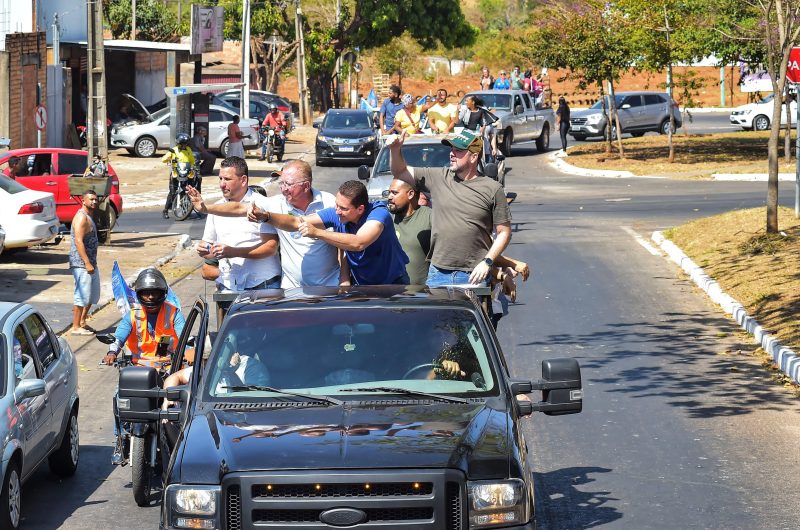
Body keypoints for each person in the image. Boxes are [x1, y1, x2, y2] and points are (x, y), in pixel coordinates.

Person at [189, 160, 347, 288]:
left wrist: (345, 280)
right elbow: (238, 207)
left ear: (306, 186)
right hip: (292, 289)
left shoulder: (329, 202)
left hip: (330, 286)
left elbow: (344, 244)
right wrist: (205, 208)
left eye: (288, 184)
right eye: (281, 183)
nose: (283, 189)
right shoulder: (276, 203)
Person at [389, 129, 512, 287]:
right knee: (437, 313)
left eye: (458, 150)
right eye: (451, 149)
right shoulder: (439, 177)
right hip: (438, 274)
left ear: (474, 157)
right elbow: (399, 172)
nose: (452, 153)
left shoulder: (493, 189)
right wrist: (395, 150)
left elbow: (504, 232)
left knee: (476, 312)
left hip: (474, 276)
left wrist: (487, 262)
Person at [246, 180, 409, 285]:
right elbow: (297, 221)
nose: (337, 211)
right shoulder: (336, 213)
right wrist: (266, 216)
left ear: (360, 209)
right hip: (362, 285)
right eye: (337, 205)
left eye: (343, 208)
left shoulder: (379, 213)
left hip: (393, 284)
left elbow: (358, 243)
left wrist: (318, 233)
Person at [102, 267, 186, 464]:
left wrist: (190, 349)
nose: (150, 297)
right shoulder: (132, 315)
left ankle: (181, 440)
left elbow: (185, 337)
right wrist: (112, 352)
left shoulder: (174, 313)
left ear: (162, 294)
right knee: (119, 396)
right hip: (139, 370)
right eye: (145, 293)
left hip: (167, 370)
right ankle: (121, 439)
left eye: (154, 293)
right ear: (139, 294)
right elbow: (120, 335)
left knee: (181, 403)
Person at [195, 157, 281, 292]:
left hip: (262, 284)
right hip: (229, 285)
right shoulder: (216, 208)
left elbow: (270, 247)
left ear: (243, 180)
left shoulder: (261, 204)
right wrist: (205, 250)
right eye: (220, 179)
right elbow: (209, 252)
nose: (222, 184)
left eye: (227, 179)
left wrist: (233, 252)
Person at [69, 190, 100, 335]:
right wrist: (87, 262)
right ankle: (76, 326)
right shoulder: (82, 218)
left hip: (91, 263)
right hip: (82, 264)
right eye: (91, 199)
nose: (94, 202)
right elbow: (78, 241)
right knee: (82, 295)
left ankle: (82, 321)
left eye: (95, 199)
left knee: (92, 295)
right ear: (84, 200)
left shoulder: (88, 216)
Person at [161, 132, 197, 219]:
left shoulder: (188, 150)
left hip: (186, 173)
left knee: (188, 189)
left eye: (185, 144)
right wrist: (170, 159)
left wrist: (193, 166)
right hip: (176, 173)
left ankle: (187, 208)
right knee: (172, 192)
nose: (184, 145)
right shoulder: (173, 150)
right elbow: (163, 160)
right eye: (182, 144)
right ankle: (166, 210)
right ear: (178, 144)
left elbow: (192, 161)